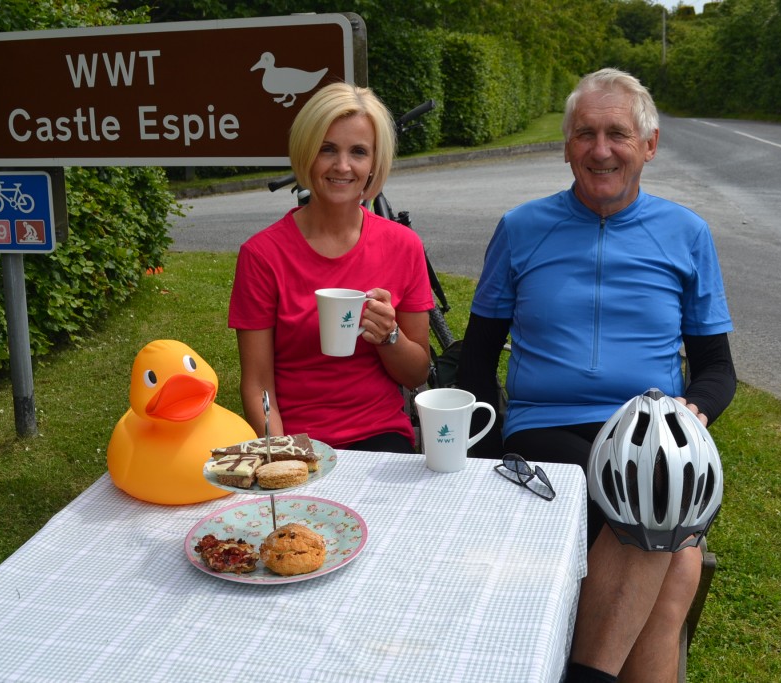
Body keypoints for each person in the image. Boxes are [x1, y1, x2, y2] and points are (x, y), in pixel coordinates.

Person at [456, 68, 736, 682]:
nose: (600, 150)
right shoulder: (521, 229)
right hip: (546, 433)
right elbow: (477, 357)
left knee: (660, 517)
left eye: (617, 134)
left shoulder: (687, 234)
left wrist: (691, 415)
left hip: (653, 435)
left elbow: (716, 369)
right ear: (566, 147)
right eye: (585, 134)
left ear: (649, 145)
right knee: (671, 551)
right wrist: (486, 452)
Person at [228, 82, 433, 453]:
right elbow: (258, 383)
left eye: (358, 151)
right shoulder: (262, 255)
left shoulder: (403, 246)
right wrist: (282, 454)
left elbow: (417, 373)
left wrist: (389, 336)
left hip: (381, 434)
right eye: (327, 149)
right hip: (297, 441)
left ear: (374, 162)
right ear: (306, 153)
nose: (342, 166)